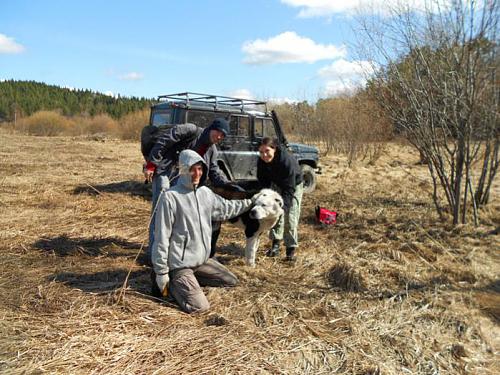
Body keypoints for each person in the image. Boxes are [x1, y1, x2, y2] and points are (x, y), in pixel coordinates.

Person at [151, 149, 253, 313]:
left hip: (201, 261)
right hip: (180, 264)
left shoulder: (206, 193)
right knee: (200, 307)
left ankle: (190, 280)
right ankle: (171, 282)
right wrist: (161, 272)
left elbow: (226, 208)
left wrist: (250, 202)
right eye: (192, 168)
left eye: (200, 168)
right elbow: (161, 237)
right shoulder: (170, 197)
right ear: (184, 169)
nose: (197, 173)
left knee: (230, 281)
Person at [144, 118, 239, 260]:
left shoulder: (211, 150)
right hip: (166, 170)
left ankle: (170, 250)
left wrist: (229, 185)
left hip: (182, 178)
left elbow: (213, 170)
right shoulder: (191, 130)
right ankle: (153, 254)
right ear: (212, 127)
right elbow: (164, 140)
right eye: (218, 132)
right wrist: (151, 164)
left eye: (222, 136)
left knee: (176, 213)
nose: (219, 137)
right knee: (161, 210)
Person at [257, 137, 304, 262]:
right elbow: (263, 181)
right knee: (273, 213)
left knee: (290, 216)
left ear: (274, 148)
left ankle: (290, 251)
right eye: (261, 152)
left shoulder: (286, 161)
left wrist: (283, 208)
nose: (264, 155)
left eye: (267, 151)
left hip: (293, 184)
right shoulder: (262, 160)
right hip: (276, 183)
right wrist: (267, 198)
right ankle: (275, 245)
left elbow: (289, 189)